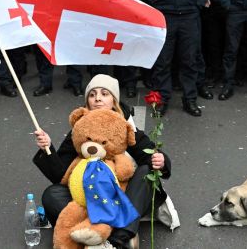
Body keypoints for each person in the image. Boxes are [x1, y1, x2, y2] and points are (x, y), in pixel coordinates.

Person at [33, 74, 172, 249]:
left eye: (104, 93)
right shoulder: (81, 127)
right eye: (92, 94)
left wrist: (161, 160)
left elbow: (149, 154)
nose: (97, 98)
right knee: (52, 194)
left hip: (120, 196)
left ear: (114, 100)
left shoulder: (124, 124)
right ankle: (100, 231)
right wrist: (47, 148)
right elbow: (60, 174)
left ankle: (117, 239)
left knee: (147, 173)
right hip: (89, 196)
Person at [138, 0, 215, 116]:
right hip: (164, 16)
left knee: (189, 60)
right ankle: (162, 100)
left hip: (189, 16)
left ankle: (190, 100)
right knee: (163, 61)